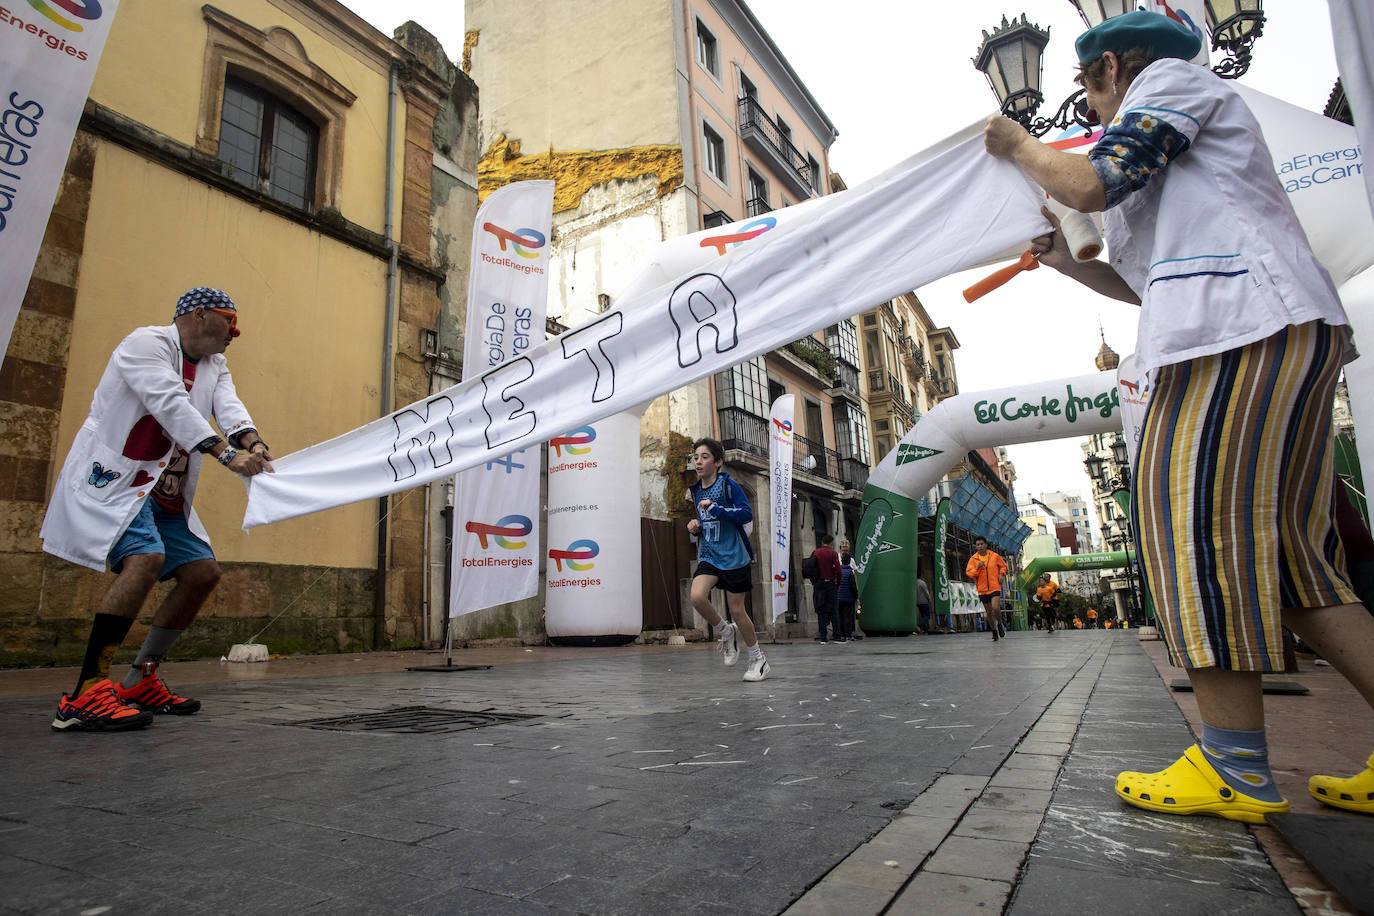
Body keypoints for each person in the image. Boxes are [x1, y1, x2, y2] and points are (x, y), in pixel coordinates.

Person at [985, 10, 1374, 821]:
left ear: (1114, 69)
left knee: (1191, 530)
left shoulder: (1170, 84)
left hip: (1236, 333)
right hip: (1257, 327)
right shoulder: (1173, 132)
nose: (1089, 112)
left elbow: (1091, 182)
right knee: (1294, 563)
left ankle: (1235, 768)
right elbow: (1142, 282)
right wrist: (1064, 264)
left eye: (1089, 92)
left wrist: (1016, 143)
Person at [44, 287, 274, 732]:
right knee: (146, 558)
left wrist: (254, 443)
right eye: (231, 320)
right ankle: (84, 693)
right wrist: (228, 457)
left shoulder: (214, 365)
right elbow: (168, 402)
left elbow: (230, 409)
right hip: (119, 482)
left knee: (202, 574)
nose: (236, 332)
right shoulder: (145, 344)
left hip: (165, 490)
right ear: (201, 315)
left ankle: (139, 680)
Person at [686, 438, 769, 682]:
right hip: (709, 553)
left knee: (737, 611)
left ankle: (757, 659)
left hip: (734, 556)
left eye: (704, 457)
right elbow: (707, 522)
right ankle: (725, 631)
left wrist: (716, 509)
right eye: (696, 457)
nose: (698, 462)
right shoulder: (696, 490)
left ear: (718, 461)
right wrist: (696, 527)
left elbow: (745, 513)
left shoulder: (729, 486)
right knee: (697, 596)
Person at [965, 536, 1008, 641]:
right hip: (982, 589)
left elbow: (1003, 565)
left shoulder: (994, 556)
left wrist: (1002, 574)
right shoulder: (973, 559)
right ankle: (994, 631)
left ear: (986, 545)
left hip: (995, 587)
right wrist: (977, 568)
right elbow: (969, 573)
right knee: (988, 612)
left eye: (981, 544)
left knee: (996, 608)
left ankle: (1000, 624)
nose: (979, 546)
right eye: (977, 545)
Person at [810, 535, 841, 643]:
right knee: (834, 611)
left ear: (822, 542)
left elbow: (810, 568)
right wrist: (837, 584)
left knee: (821, 610)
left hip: (818, 585)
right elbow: (838, 570)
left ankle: (823, 637)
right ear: (831, 542)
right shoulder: (833, 553)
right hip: (830, 584)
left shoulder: (815, 553)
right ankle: (837, 636)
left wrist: (815, 582)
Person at [834, 540, 858, 643]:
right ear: (840, 549)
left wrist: (856, 591)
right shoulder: (836, 558)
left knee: (848, 615)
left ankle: (847, 633)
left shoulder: (851, 560)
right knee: (841, 615)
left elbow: (854, 576)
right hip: (841, 592)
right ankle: (843, 633)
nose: (845, 552)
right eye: (844, 550)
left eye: (847, 550)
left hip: (847, 591)